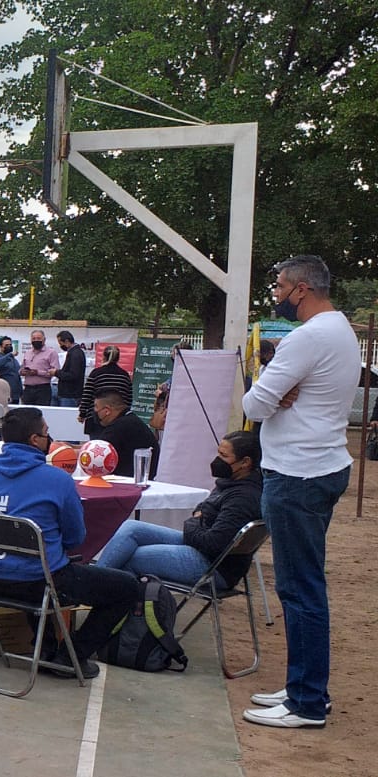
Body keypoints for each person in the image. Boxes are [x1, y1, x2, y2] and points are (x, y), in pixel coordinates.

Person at [240, 255, 357, 729]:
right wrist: (277, 393)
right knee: (304, 585)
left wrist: (272, 391)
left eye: (279, 287)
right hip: (322, 466)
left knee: (299, 588)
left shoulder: (305, 338)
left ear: (301, 289)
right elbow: (269, 399)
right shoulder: (339, 329)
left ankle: (306, 701)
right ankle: (304, 687)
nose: (276, 295)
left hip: (297, 475)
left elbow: (253, 405)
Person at [0, 408, 141, 679]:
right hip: (40, 580)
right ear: (35, 440)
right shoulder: (58, 480)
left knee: (37, 565)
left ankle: (44, 649)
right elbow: (75, 538)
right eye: (46, 433)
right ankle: (71, 656)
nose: (50, 438)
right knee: (126, 587)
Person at [97, 431, 261, 587]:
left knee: (130, 556)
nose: (217, 460)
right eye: (218, 453)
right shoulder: (231, 482)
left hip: (214, 567)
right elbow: (204, 507)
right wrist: (198, 518)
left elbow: (213, 543)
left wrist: (192, 523)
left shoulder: (242, 498)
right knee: (131, 528)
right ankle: (94, 582)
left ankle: (98, 591)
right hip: (199, 546)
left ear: (245, 462)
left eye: (224, 456)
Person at [88, 389, 159, 478]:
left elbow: (92, 452)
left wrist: (71, 450)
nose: (94, 410)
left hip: (129, 480)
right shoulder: (130, 419)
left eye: (96, 407)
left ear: (106, 411)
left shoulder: (119, 427)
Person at [78, 345, 132, 436]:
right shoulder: (124, 375)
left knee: (97, 443)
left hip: (97, 417)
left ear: (103, 357)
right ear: (118, 358)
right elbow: (128, 399)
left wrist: (82, 414)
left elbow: (87, 395)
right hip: (118, 418)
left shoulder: (96, 373)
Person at [19, 329, 59, 406]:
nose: (36, 340)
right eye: (34, 339)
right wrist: (22, 372)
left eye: (38, 338)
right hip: (28, 389)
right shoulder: (27, 353)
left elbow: (55, 371)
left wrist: (38, 372)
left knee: (42, 411)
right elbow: (21, 368)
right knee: (27, 411)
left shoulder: (51, 353)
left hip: (43, 389)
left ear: (44, 340)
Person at [54, 331, 86, 408]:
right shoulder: (74, 352)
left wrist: (56, 373)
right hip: (69, 393)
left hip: (70, 394)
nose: (60, 346)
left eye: (60, 343)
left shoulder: (75, 354)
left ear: (67, 341)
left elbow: (73, 375)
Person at [0, 336, 22, 403]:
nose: (9, 346)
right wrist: (9, 355)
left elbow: (17, 376)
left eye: (10, 345)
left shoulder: (14, 360)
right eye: (6, 345)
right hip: (3, 394)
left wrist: (21, 392)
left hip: (15, 395)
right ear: (1, 347)